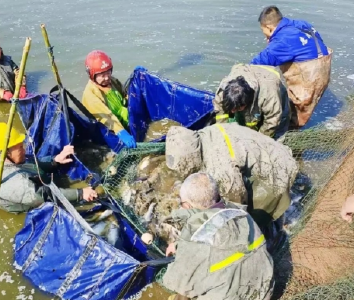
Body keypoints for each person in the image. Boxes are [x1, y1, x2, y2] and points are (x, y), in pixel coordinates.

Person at [163, 172, 274, 300]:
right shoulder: (240, 213)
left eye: (182, 203)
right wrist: (178, 245)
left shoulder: (195, 237)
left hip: (235, 295)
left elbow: (178, 282)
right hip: (265, 291)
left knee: (182, 293)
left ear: (187, 206)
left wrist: (181, 253)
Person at [165, 123, 298, 228]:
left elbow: (236, 202)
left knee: (257, 212)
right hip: (267, 149)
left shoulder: (221, 169)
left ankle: (274, 226)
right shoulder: (204, 133)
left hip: (277, 169)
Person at [0, 122, 97, 213]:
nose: (24, 150)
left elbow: (33, 163)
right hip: (30, 203)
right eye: (19, 148)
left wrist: (55, 160)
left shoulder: (11, 160)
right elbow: (44, 196)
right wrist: (80, 194)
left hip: (32, 190)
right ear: (6, 153)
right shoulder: (16, 183)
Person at [251, 6, 332, 128]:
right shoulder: (301, 24)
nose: (266, 37)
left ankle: (290, 136)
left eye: (266, 33)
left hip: (309, 78)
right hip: (323, 70)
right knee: (303, 108)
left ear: (269, 27)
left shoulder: (283, 41)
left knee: (292, 118)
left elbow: (257, 64)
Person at [213, 63, 290, 138]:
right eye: (232, 109)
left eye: (237, 108)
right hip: (248, 72)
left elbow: (272, 121)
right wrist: (223, 134)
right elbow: (220, 112)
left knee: (279, 127)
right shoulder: (223, 90)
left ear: (247, 102)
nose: (233, 111)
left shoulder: (269, 94)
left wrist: (258, 141)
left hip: (272, 79)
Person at [82, 50, 136, 148]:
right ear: (92, 75)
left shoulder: (112, 81)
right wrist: (121, 132)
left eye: (108, 72)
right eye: (102, 75)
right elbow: (105, 117)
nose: (107, 78)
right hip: (110, 129)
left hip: (124, 119)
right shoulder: (91, 95)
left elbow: (125, 94)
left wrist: (135, 80)